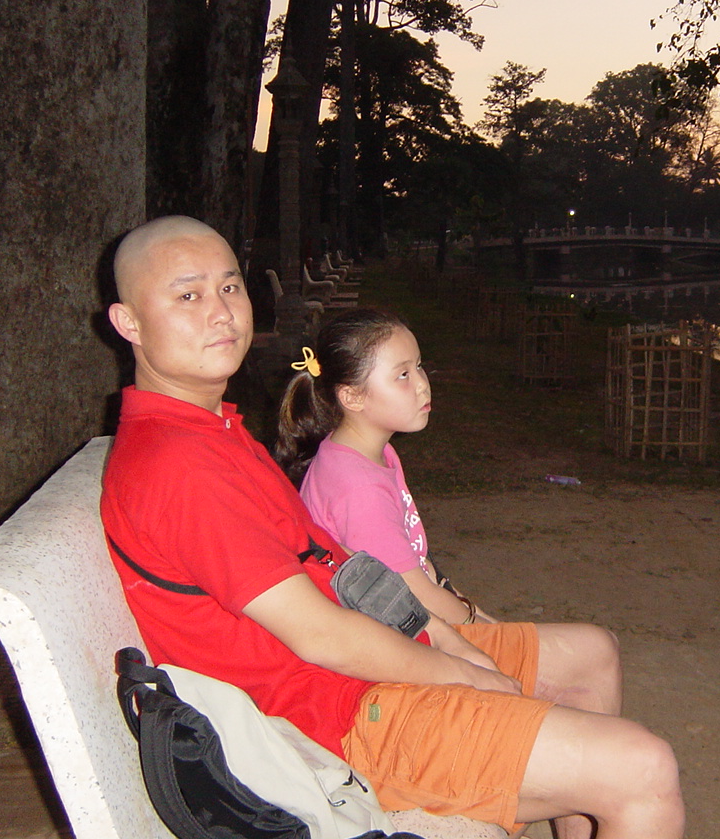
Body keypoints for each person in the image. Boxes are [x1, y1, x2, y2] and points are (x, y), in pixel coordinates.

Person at [100, 216, 684, 839]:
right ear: (128, 323)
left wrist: (446, 637)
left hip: (360, 672)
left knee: (593, 656)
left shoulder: (214, 431)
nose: (221, 313)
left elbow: (342, 567)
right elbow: (318, 635)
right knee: (642, 769)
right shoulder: (178, 466)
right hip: (335, 718)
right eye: (188, 296)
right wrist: (465, 674)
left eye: (229, 287)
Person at [274, 309, 493, 627]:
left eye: (419, 366)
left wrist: (487, 620)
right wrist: (489, 634)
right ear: (352, 396)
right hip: (397, 636)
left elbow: (423, 570)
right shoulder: (359, 488)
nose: (423, 385)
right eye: (403, 375)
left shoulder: (372, 452)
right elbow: (415, 595)